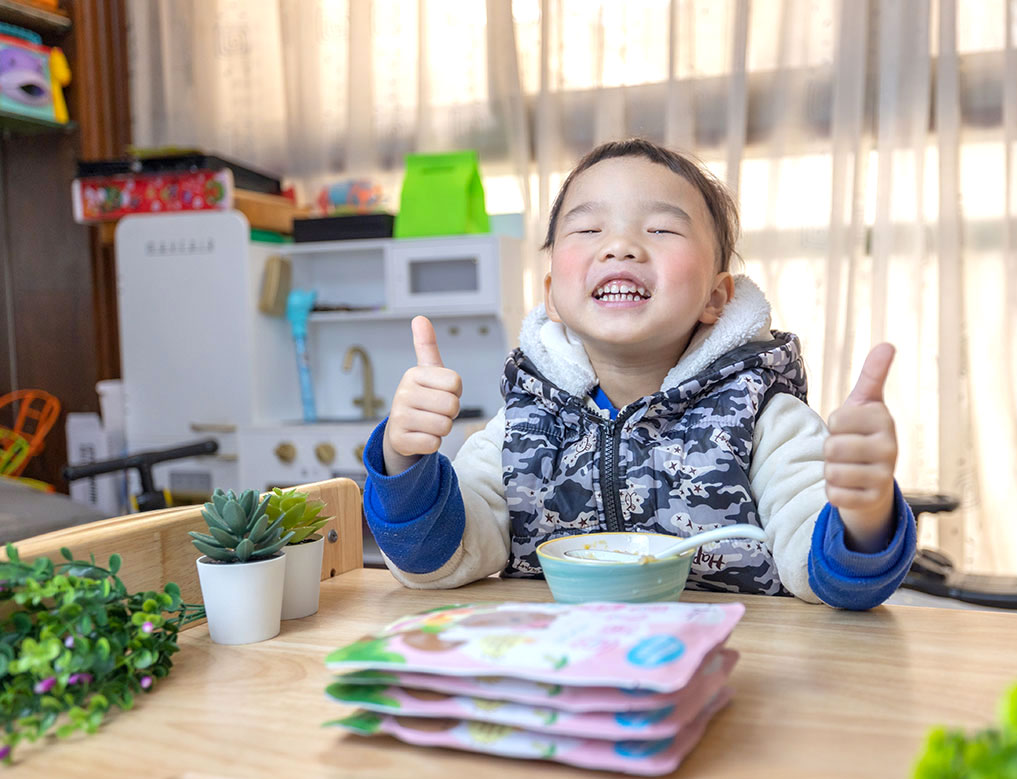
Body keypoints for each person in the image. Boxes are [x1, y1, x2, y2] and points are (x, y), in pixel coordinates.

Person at [362, 138, 916, 609]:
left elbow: (828, 575)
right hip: (563, 672)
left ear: (716, 297)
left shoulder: (765, 417)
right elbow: (439, 561)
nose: (620, 246)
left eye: (661, 230)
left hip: (732, 671)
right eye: (588, 229)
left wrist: (865, 514)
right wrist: (403, 461)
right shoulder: (519, 427)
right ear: (552, 296)